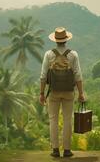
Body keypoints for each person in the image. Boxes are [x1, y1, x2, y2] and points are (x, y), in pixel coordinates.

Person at [39, 27, 85, 158]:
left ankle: (55, 150)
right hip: (69, 92)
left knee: (53, 120)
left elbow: (43, 76)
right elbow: (78, 75)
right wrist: (81, 93)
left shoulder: (49, 54)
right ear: (66, 40)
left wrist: (42, 93)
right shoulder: (73, 54)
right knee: (67, 120)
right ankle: (67, 150)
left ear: (55, 40)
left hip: (53, 92)